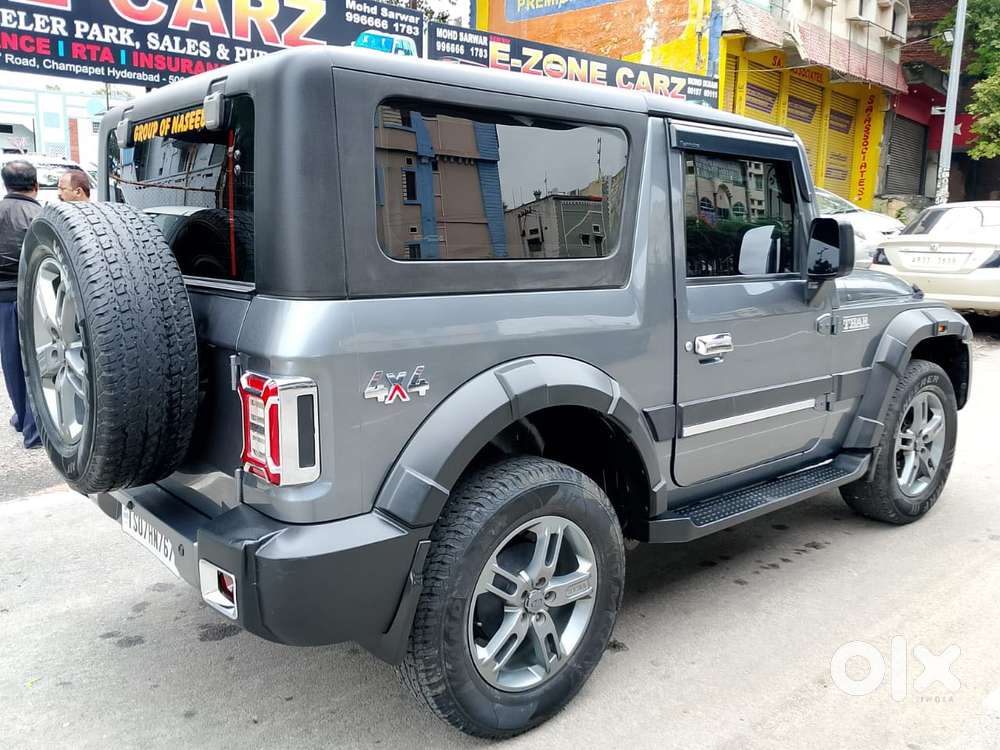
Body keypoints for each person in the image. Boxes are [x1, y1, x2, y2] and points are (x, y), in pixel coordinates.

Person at [0, 160, 42, 448]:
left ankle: (21, 416)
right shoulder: (40, 215)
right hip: (31, 295)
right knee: (37, 362)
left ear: (5, 185)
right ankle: (35, 430)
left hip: (1, 299)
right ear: (36, 185)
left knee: (11, 360)